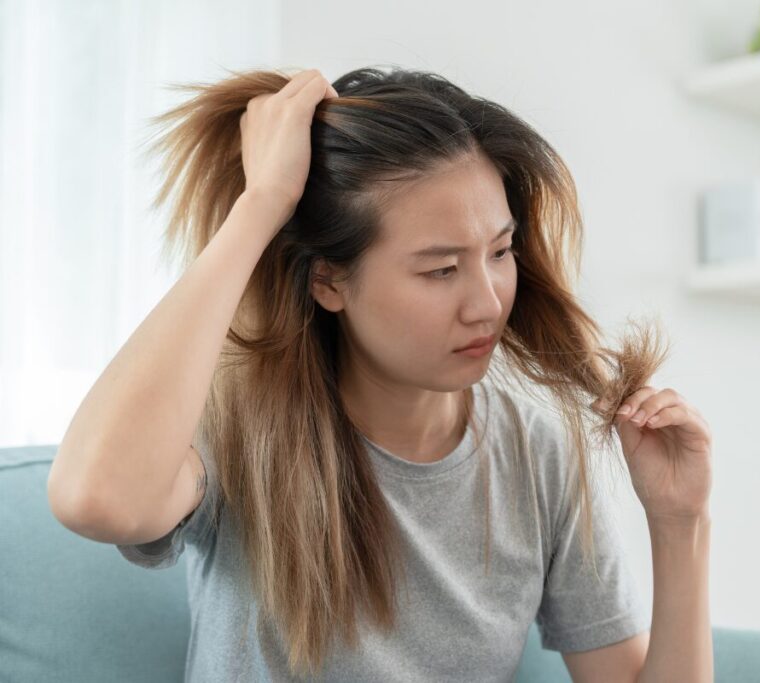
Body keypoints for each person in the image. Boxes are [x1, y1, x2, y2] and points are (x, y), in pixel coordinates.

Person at [47, 66, 713, 682]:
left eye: (501, 250)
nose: (488, 301)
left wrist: (680, 520)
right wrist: (263, 204)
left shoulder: (537, 453)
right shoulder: (239, 428)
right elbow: (96, 498)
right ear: (329, 281)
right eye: (441, 269)